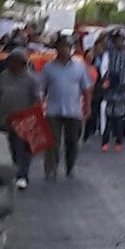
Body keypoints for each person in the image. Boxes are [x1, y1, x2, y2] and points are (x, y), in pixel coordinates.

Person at [0, 48, 41, 190]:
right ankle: (12, 170)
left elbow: (37, 100)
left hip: (23, 121)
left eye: (13, 61)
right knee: (10, 147)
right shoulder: (4, 76)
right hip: (4, 118)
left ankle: (22, 175)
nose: (10, 64)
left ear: (21, 63)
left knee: (22, 147)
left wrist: (31, 116)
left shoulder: (31, 79)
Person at [41, 36, 92, 179]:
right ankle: (51, 169)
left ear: (71, 49)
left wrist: (87, 107)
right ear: (56, 48)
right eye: (61, 46)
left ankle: (70, 167)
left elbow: (86, 89)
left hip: (73, 111)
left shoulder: (79, 67)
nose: (64, 50)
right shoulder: (48, 68)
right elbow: (42, 89)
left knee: (72, 142)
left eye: (67, 47)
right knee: (52, 142)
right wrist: (39, 106)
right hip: (53, 111)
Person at [101, 32, 125, 152]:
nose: (119, 42)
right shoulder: (111, 51)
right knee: (109, 116)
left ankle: (118, 141)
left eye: (120, 40)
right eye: (116, 40)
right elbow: (104, 39)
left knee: (118, 118)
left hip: (122, 87)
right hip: (111, 87)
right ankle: (105, 141)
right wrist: (112, 31)